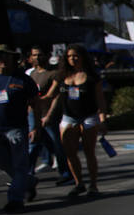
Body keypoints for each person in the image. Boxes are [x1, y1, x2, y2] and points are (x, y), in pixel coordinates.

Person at [41, 43, 110, 198]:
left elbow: (100, 100)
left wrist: (102, 119)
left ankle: (93, 184)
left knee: (89, 152)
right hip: (68, 117)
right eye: (70, 56)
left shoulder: (92, 77)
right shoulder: (61, 75)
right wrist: (40, 105)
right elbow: (52, 96)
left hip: (89, 117)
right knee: (70, 153)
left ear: (83, 57)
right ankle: (79, 183)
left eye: (76, 55)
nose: (73, 58)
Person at [0, 44, 40, 212]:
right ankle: (29, 181)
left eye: (4, 56)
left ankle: (15, 199)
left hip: (16, 128)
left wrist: (35, 126)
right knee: (3, 163)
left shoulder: (23, 79)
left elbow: (34, 104)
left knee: (19, 165)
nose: (1, 60)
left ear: (12, 58)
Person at [24, 46, 72, 185]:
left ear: (47, 55)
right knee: (33, 144)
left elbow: (53, 96)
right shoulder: (31, 74)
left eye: (40, 55)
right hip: (34, 114)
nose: (37, 58)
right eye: (34, 55)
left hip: (49, 114)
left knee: (57, 144)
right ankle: (27, 175)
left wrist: (49, 115)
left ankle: (65, 173)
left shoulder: (54, 73)